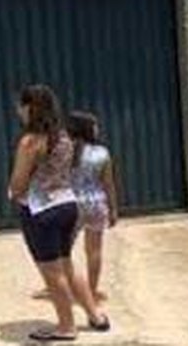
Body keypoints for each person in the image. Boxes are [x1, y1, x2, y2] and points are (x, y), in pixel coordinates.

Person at [8, 85, 110, 341]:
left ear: (31, 107)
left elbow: (19, 183)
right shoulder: (63, 137)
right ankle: (96, 316)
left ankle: (66, 327)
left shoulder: (30, 141)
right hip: (67, 206)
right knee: (67, 265)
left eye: (20, 106)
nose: (18, 111)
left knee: (52, 273)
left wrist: (13, 191)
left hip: (40, 211)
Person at [67, 111, 118, 301]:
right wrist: (113, 209)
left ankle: (68, 286)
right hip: (96, 203)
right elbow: (108, 184)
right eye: (95, 125)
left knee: (63, 250)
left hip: (71, 204)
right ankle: (92, 290)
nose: (98, 129)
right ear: (88, 129)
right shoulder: (102, 153)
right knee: (94, 251)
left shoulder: (65, 151)